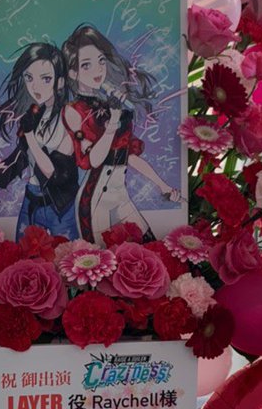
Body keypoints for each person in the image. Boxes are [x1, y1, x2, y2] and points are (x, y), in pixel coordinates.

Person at [61, 24, 180, 244]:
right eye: (86, 65)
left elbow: (128, 155)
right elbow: (92, 160)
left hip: (121, 196)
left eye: (101, 61)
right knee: (101, 260)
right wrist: (113, 121)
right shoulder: (73, 110)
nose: (97, 70)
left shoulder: (110, 104)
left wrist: (162, 185)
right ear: (73, 73)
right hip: (95, 201)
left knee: (149, 246)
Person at [0, 42, 79, 240]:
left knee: (68, 254)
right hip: (31, 199)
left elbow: (53, 172)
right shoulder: (35, 115)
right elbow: (21, 156)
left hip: (60, 206)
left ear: (60, 82)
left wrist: (30, 135)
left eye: (46, 79)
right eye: (29, 77)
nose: (35, 87)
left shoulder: (70, 116)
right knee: (23, 254)